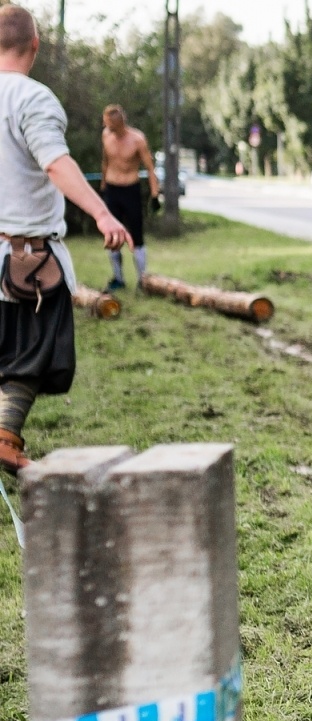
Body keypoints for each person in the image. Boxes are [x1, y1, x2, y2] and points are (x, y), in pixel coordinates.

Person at [0, 5, 129, 473]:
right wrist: (101, 212)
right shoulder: (32, 98)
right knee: (34, 356)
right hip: (25, 263)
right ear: (35, 45)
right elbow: (55, 162)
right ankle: (5, 438)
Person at [99, 104, 158, 291]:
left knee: (137, 236)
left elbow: (149, 167)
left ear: (119, 122)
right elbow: (106, 162)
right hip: (112, 189)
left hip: (130, 190)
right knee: (112, 236)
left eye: (109, 124)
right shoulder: (106, 136)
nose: (106, 127)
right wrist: (103, 187)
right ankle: (118, 278)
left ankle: (143, 280)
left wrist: (155, 194)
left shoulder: (137, 139)